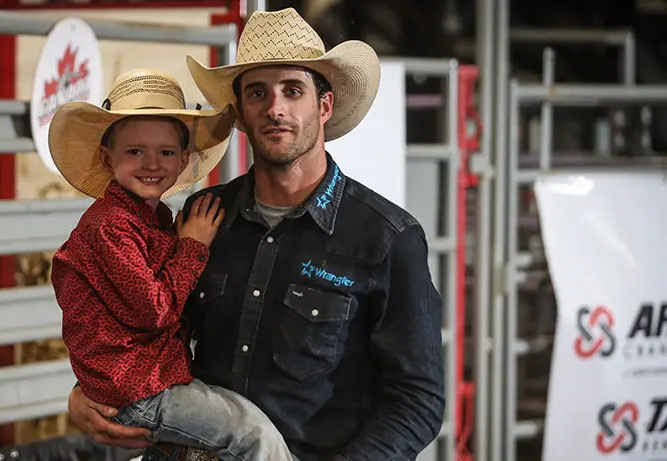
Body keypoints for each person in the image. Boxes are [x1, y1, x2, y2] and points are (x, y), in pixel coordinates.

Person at [67, 9, 446, 461]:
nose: (275, 108)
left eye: (293, 90)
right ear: (241, 114)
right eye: (257, 93)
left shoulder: (386, 239)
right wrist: (85, 393)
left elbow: (418, 400)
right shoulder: (204, 218)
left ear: (323, 106)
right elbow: (143, 323)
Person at [48, 68, 297, 461]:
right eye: (135, 151)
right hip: (141, 390)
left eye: (165, 152)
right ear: (106, 156)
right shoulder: (112, 226)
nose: (152, 163)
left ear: (183, 160)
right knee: (252, 435)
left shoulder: (156, 218)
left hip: (149, 383)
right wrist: (193, 247)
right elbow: (155, 310)